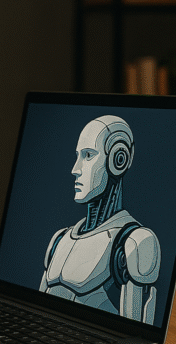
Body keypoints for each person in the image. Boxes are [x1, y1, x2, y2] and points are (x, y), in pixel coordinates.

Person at [40, 116, 159, 324]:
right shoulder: (60, 239)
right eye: (78, 155)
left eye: (88, 155)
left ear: (117, 159)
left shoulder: (133, 242)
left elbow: (136, 336)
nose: (75, 169)